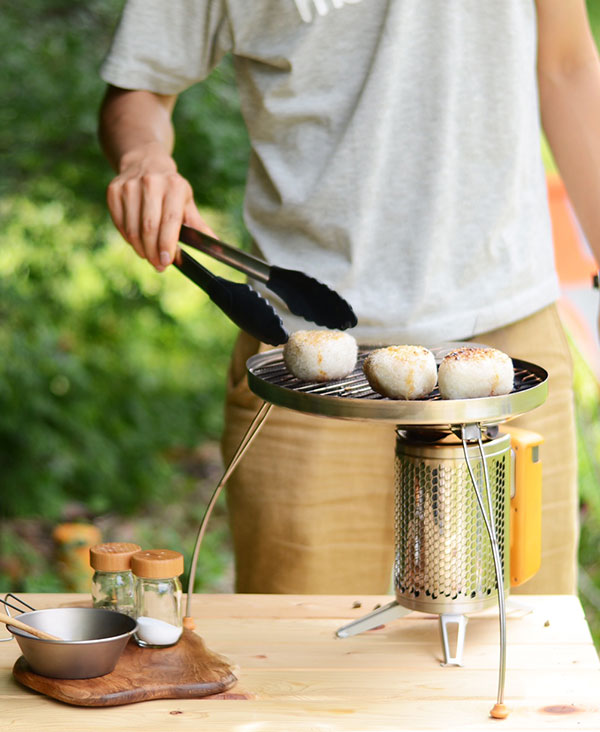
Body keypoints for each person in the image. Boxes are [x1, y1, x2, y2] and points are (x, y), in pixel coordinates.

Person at [98, 0, 600, 596]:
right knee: (308, 671)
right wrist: (144, 158)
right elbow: (139, 89)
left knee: (518, 666)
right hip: (305, 369)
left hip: (506, 352)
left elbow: (567, 65)